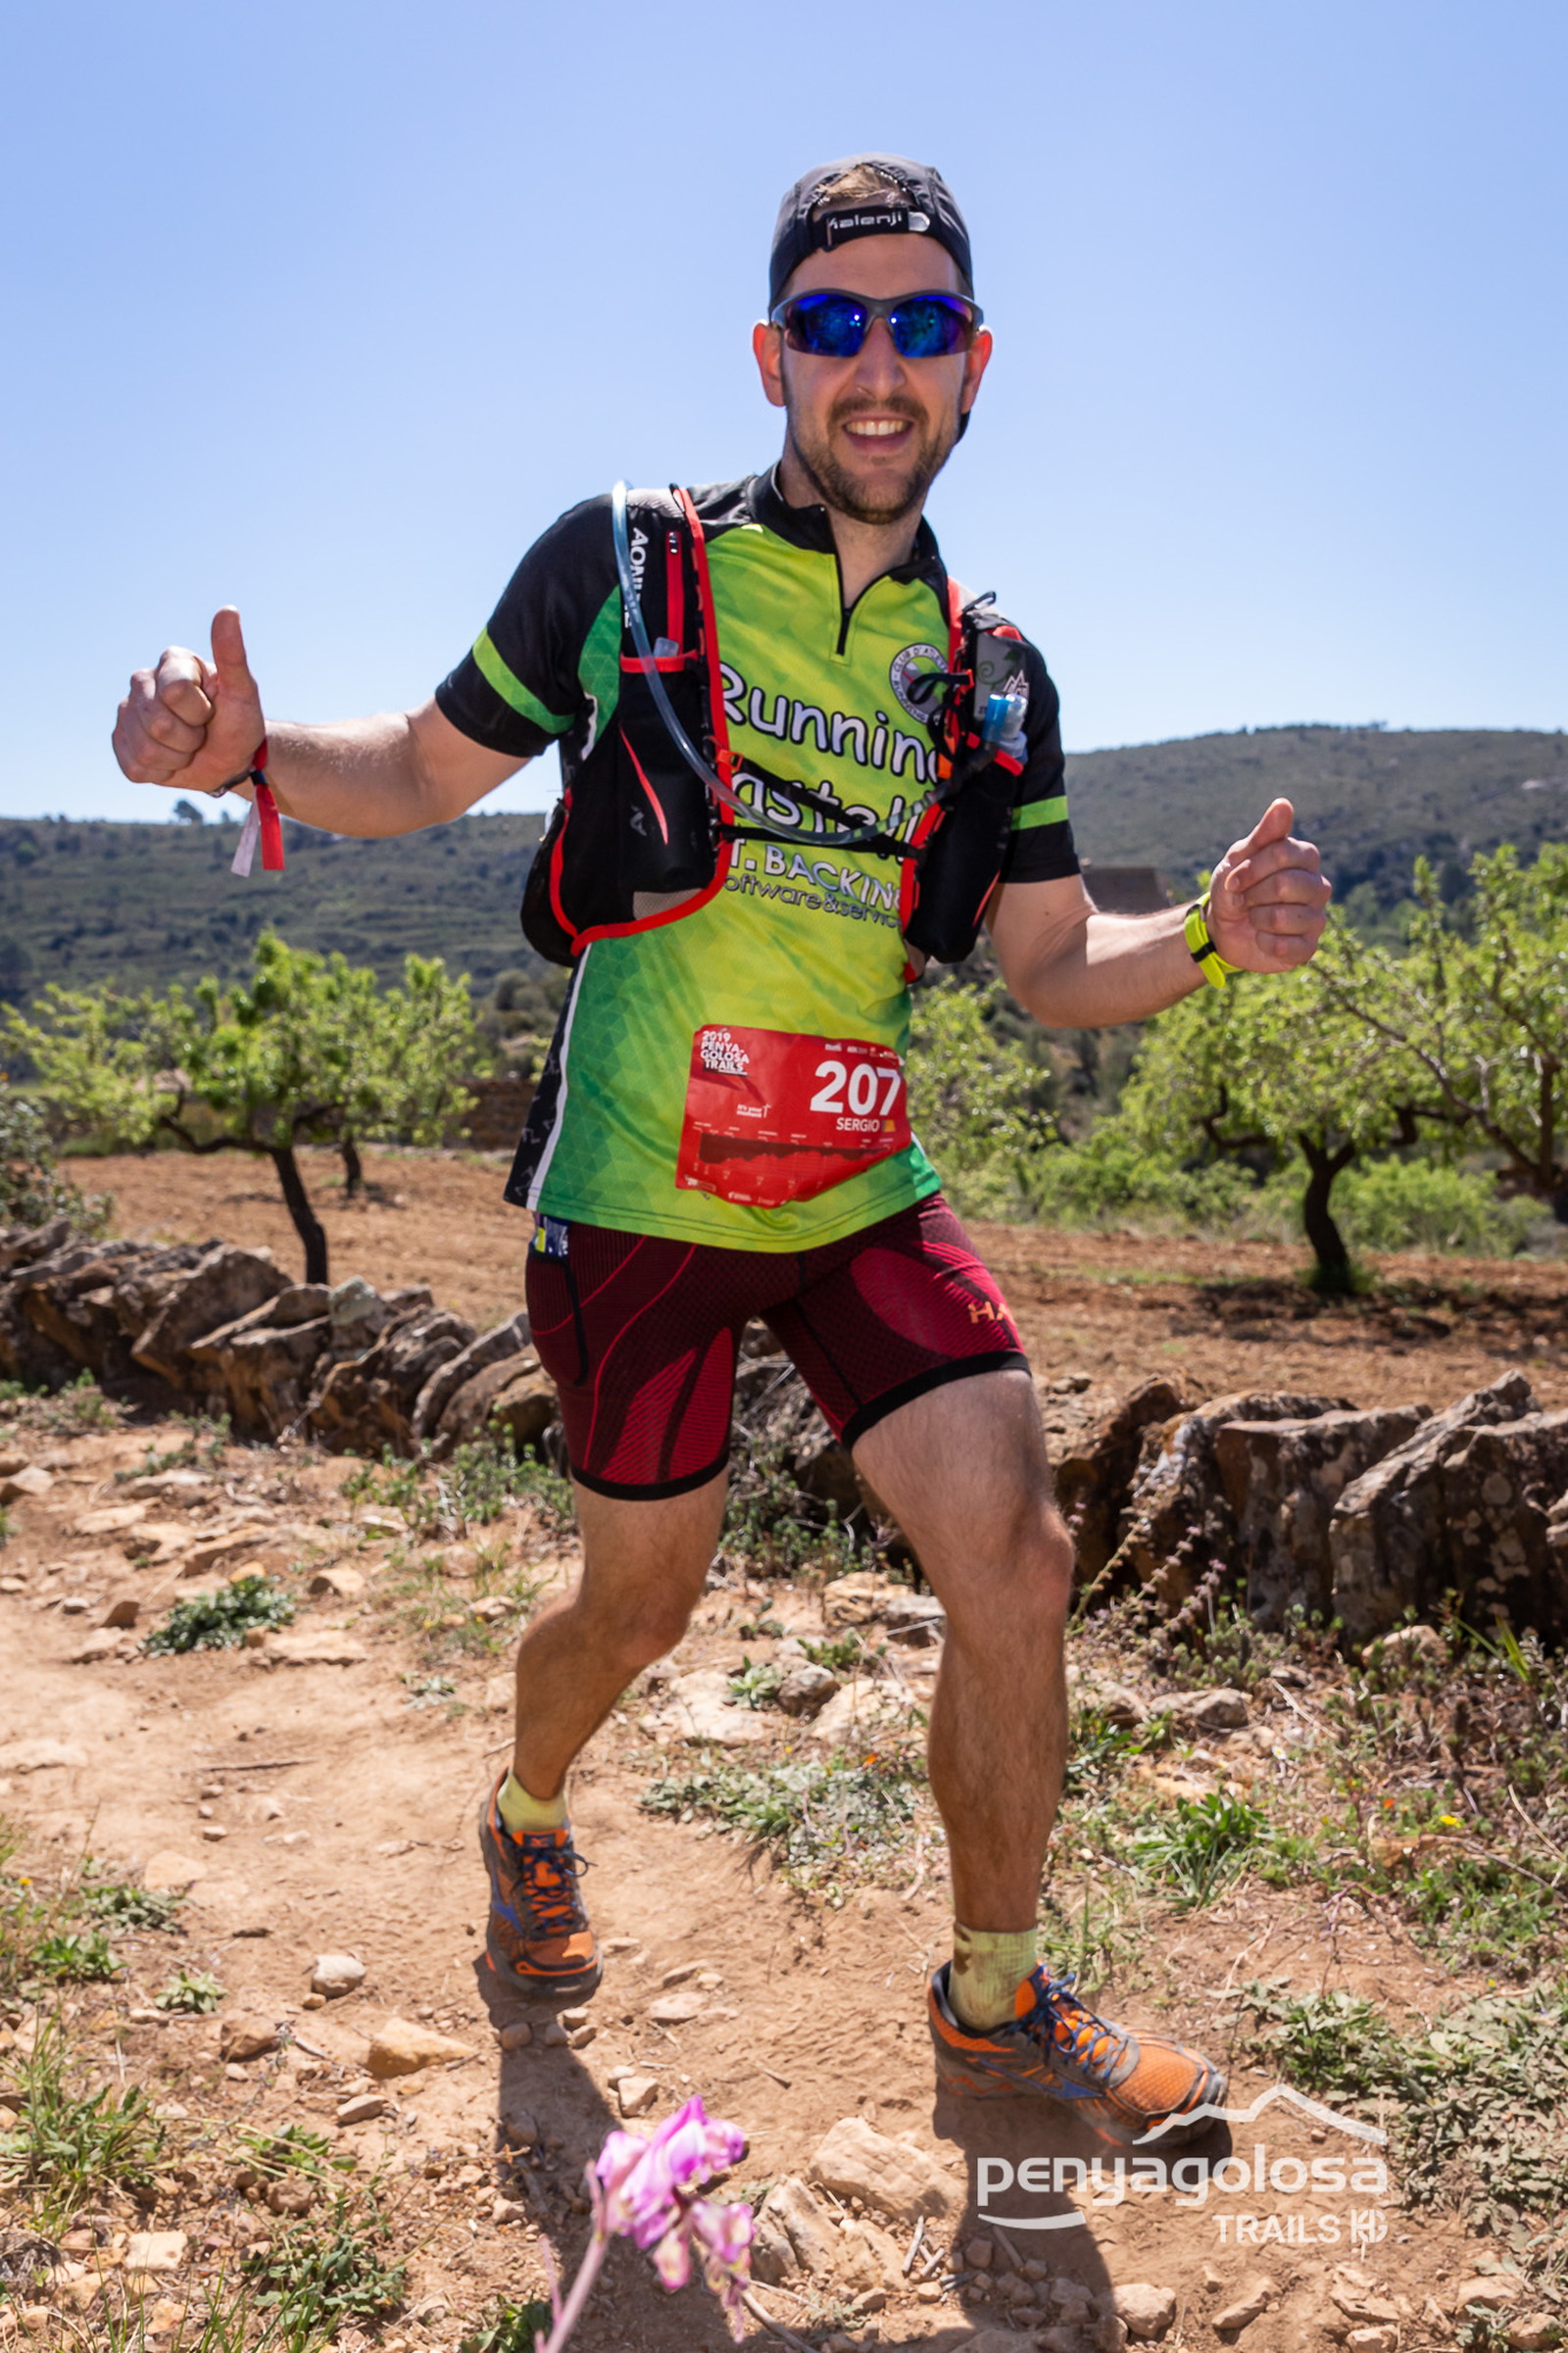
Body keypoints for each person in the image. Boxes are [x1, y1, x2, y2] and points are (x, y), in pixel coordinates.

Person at [113, 153, 1330, 2146]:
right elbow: (416, 766)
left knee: (1015, 1552)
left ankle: (996, 2000)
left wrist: (1203, 932)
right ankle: (527, 1812)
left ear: (975, 363)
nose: (878, 365)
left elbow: (1045, 957)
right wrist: (247, 752)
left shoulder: (992, 676)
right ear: (774, 355)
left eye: (920, 326)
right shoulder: (627, 564)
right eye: (836, 324)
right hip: (634, 1206)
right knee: (640, 1608)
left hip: (857, 1191)